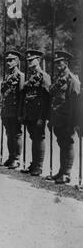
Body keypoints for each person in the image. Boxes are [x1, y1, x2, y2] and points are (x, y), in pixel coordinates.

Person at [46, 51, 81, 184]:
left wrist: (72, 122)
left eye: (59, 63)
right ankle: (61, 171)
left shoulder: (72, 79)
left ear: (66, 63)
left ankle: (66, 173)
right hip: (58, 119)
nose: (57, 66)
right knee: (62, 145)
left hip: (67, 120)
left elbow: (74, 103)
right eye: (55, 63)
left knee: (68, 145)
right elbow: (52, 94)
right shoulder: (59, 78)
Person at [20, 49, 51, 176]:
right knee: (34, 138)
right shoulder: (31, 76)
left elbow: (46, 99)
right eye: (28, 61)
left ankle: (38, 166)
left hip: (38, 114)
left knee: (39, 138)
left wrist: (42, 117)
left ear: (38, 60)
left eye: (32, 60)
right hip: (30, 113)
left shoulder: (44, 77)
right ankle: (34, 164)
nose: (29, 63)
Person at [0, 50, 25, 169]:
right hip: (6, 111)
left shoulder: (21, 76)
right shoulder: (7, 76)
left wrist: (20, 112)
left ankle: (17, 159)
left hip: (15, 110)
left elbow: (21, 96)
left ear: (17, 61)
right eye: (7, 61)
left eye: (11, 60)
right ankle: (11, 156)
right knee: (9, 134)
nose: (8, 63)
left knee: (16, 134)